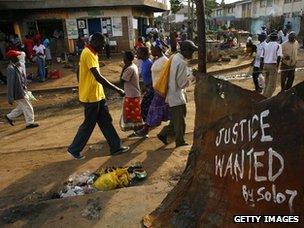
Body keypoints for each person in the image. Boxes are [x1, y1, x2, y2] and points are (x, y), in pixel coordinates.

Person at [68, 32, 129, 160]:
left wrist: (82, 84)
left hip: (98, 95)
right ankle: (74, 149)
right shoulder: (88, 53)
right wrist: (117, 88)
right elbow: (98, 76)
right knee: (89, 124)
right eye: (102, 45)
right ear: (95, 42)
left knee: (106, 121)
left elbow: (79, 71)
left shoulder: (91, 52)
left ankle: (116, 147)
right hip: (91, 97)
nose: (103, 48)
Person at [157, 40, 197, 147]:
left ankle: (164, 133)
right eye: (191, 51)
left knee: (176, 120)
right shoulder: (182, 62)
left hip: (172, 93)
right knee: (180, 121)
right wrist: (192, 77)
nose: (192, 54)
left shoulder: (175, 57)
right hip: (177, 95)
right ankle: (179, 141)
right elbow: (182, 83)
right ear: (186, 51)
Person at [130, 41, 170, 138]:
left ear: (157, 49)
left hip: (159, 89)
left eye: (152, 48)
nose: (151, 51)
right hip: (155, 89)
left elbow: (166, 76)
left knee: (152, 108)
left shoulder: (164, 60)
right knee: (155, 109)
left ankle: (146, 128)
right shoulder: (157, 59)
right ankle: (147, 126)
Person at [5, 50, 39, 129]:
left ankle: (9, 117)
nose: (18, 57)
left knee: (22, 107)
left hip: (21, 90)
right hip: (18, 92)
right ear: (12, 58)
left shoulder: (15, 66)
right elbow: (10, 83)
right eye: (16, 56)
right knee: (28, 106)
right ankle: (30, 123)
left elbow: (20, 79)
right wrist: (10, 97)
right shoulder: (10, 68)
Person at [120, 51, 142, 130]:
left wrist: (124, 68)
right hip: (133, 94)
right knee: (135, 115)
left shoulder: (129, 69)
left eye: (124, 57)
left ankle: (138, 131)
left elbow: (121, 80)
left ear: (126, 59)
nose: (123, 59)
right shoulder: (134, 66)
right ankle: (137, 131)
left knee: (133, 115)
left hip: (131, 95)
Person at [260, 32, 283, 98]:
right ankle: (265, 99)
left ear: (270, 38)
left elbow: (261, 57)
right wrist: (277, 66)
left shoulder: (265, 45)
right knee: (272, 85)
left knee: (267, 82)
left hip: (265, 65)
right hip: (273, 65)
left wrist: (261, 68)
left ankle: (263, 96)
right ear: (277, 38)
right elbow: (279, 57)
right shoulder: (278, 45)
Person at [138, 47, 153, 121]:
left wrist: (146, 86)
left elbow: (153, 77)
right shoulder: (143, 63)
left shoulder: (149, 63)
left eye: (138, 52)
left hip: (151, 88)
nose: (137, 54)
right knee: (146, 106)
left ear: (143, 53)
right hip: (147, 88)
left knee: (144, 106)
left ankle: (148, 123)